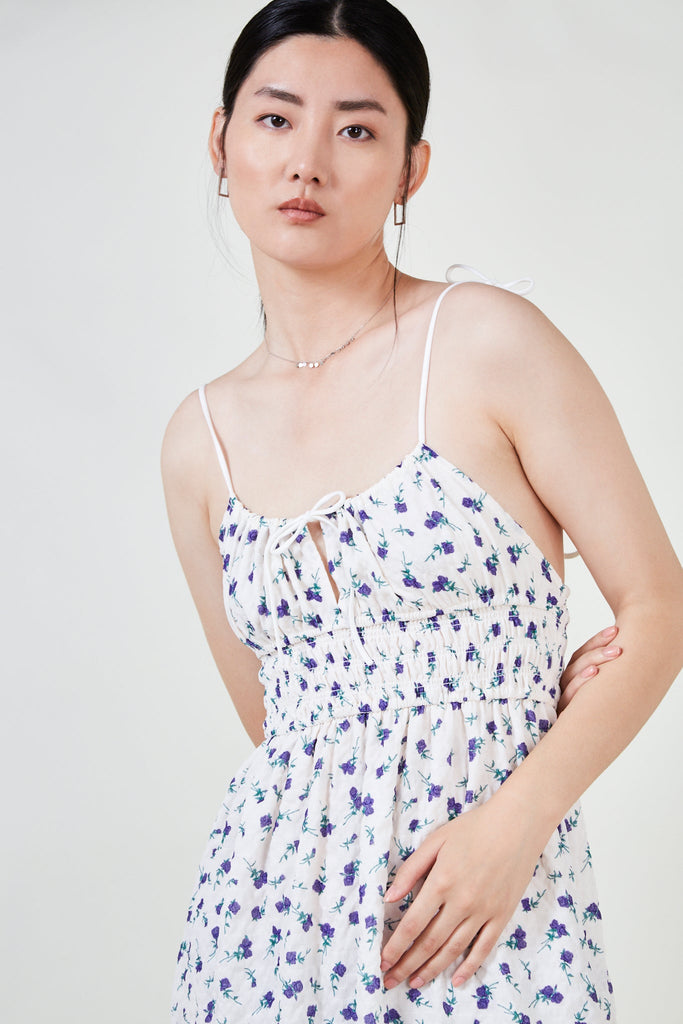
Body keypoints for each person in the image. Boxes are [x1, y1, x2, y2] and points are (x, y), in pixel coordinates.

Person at [161, 1, 683, 1020]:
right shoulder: (199, 440)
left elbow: (658, 605)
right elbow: (279, 725)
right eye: (275, 118)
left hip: (485, 915)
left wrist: (513, 820)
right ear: (221, 142)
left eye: (356, 129)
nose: (307, 161)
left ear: (411, 168)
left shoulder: (488, 342)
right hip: (263, 930)